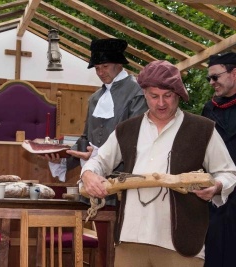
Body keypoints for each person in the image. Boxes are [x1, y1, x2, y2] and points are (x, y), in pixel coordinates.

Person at [80, 60, 236, 267]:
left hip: (182, 245)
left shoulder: (202, 129)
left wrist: (216, 187)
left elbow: (227, 172)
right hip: (130, 239)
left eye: (168, 96)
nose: (161, 103)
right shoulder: (126, 129)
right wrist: (88, 174)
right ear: (144, 94)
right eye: (154, 96)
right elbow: (98, 161)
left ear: (179, 94)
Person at [45, 38, 148, 266]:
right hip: (97, 183)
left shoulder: (137, 93)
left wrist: (98, 154)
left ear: (119, 65)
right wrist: (63, 158)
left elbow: (136, 137)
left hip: (127, 183)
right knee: (104, 248)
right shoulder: (95, 98)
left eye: (105, 67)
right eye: (97, 68)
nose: (100, 73)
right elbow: (85, 139)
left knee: (127, 250)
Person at [202, 52, 236, 267]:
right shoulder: (209, 108)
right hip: (218, 194)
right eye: (209, 79)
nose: (212, 83)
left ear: (234, 73)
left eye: (216, 77)